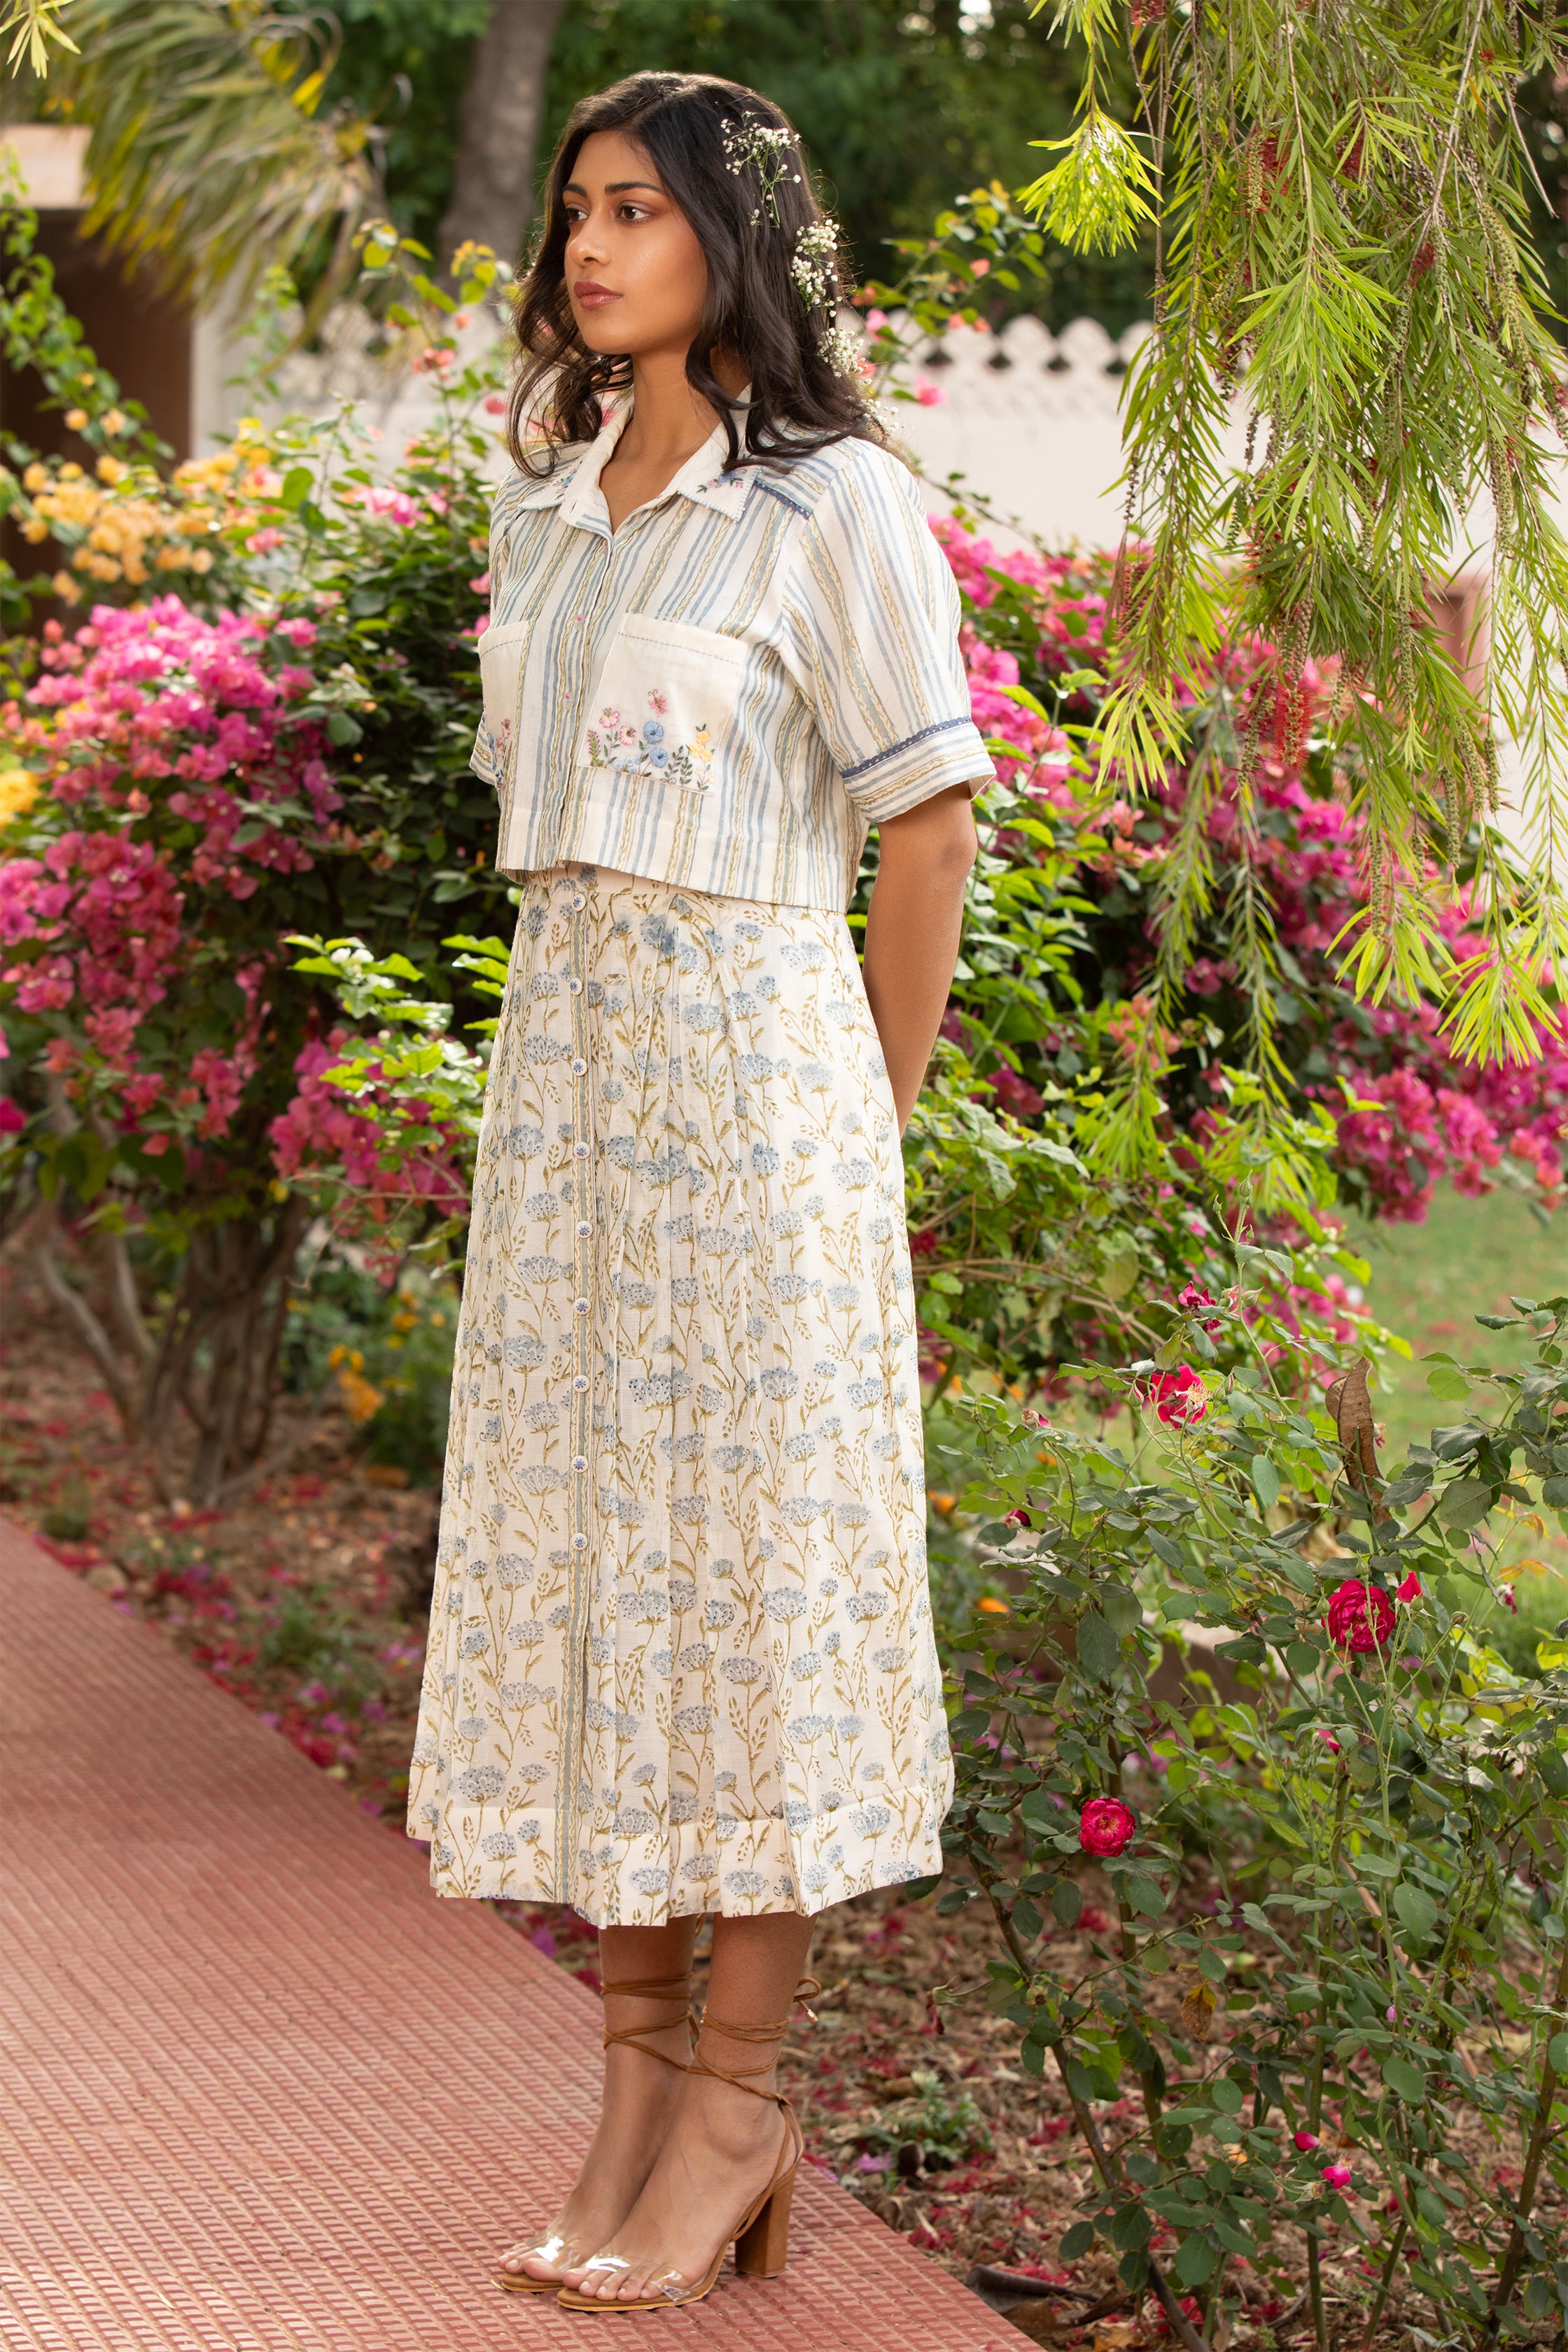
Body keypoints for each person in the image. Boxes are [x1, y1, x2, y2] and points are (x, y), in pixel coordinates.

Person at [405, 66, 991, 2312]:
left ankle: (743, 2095)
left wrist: (873, 1108)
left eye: (636, 210)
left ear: (732, 239)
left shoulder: (834, 505)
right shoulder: (554, 498)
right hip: (572, 1098)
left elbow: (926, 820)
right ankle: (636, 2080)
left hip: (758, 1093)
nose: (589, 245)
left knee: (746, 1590)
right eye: (575, 210)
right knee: (597, 1586)